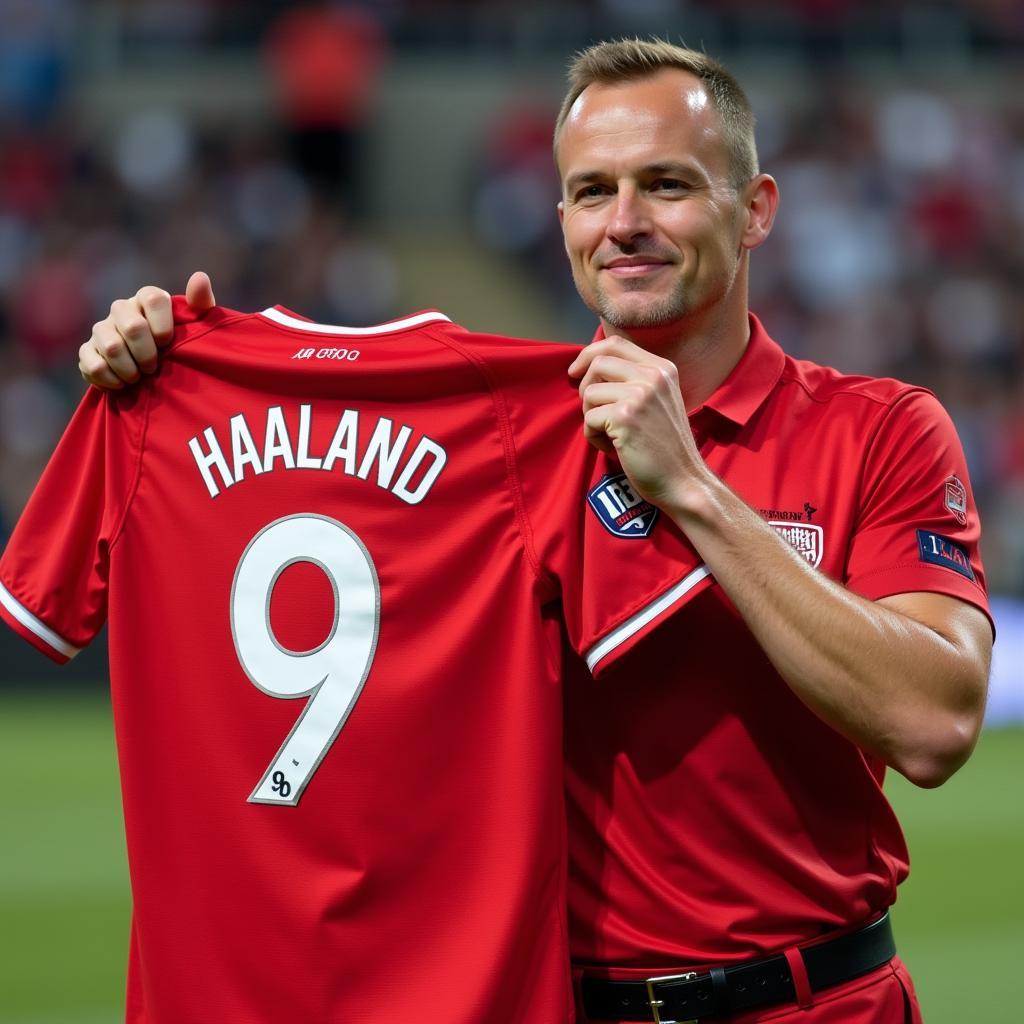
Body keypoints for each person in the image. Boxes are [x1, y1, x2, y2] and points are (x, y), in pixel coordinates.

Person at [77, 38, 993, 1024]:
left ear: (756, 207)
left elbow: (933, 722)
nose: (626, 222)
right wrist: (172, 372)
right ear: (559, 220)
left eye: (667, 184)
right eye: (592, 191)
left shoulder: (878, 428)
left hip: (814, 1003)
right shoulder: (478, 450)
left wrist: (692, 491)